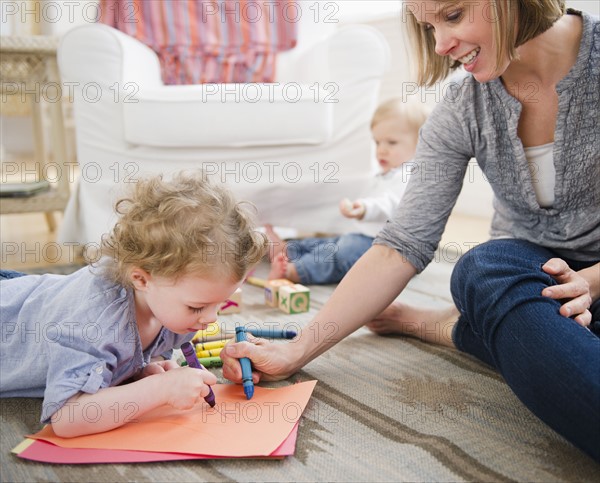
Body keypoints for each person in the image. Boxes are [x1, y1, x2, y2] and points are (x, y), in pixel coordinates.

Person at [222, 1, 600, 462]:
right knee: (481, 271)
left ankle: (453, 326)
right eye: (429, 27)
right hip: (530, 280)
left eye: (454, 16)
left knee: (517, 319)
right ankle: (509, 326)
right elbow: (400, 245)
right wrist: (297, 350)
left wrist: (590, 282)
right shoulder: (464, 106)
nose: (440, 45)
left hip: (573, 290)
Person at [0, 172, 266, 438]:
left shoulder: (170, 303)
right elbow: (68, 418)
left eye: (220, 303)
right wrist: (159, 390)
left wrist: (146, 370)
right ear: (140, 279)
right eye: (197, 307)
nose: (211, 318)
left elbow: (145, 350)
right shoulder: (95, 323)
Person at [266, 99, 428, 285]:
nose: (381, 150)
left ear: (420, 143)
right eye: (377, 142)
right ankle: (288, 250)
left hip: (389, 249)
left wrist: (365, 209)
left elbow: (391, 204)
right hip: (364, 237)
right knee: (329, 244)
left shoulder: (412, 175)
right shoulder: (388, 172)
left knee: (340, 255)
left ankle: (295, 272)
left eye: (391, 142)